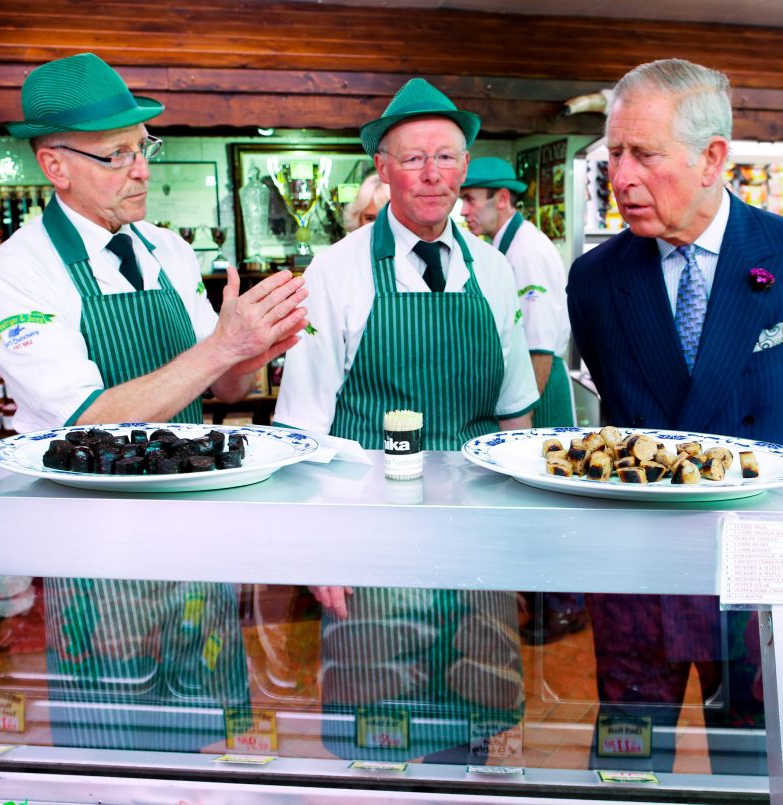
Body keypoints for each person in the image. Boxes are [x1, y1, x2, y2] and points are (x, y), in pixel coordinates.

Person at [0, 52, 307, 752]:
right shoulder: (13, 275)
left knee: (211, 735)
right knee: (116, 744)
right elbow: (85, 419)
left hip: (194, 536)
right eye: (116, 153)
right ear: (54, 165)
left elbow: (222, 392)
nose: (142, 169)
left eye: (143, 146)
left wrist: (254, 349)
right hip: (96, 550)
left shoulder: (168, 251)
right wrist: (220, 346)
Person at [567, 58, 783, 774]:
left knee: (756, 762)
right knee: (627, 761)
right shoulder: (597, 278)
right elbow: (626, 399)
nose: (623, 176)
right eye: (613, 153)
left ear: (712, 158)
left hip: (762, 565)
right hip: (640, 573)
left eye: (645, 154)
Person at [275, 77, 538, 764]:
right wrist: (316, 546)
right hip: (373, 546)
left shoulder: (494, 270)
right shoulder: (334, 272)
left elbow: (515, 414)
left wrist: (519, 534)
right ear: (383, 170)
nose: (432, 174)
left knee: (476, 729)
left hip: (477, 540)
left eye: (447, 157)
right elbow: (302, 425)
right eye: (413, 158)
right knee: (379, 734)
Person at [460, 156, 585, 646]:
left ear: (502, 200)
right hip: (529, 384)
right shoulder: (502, 243)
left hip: (541, 384)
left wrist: (522, 422)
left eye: (471, 199)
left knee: (549, 501)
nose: (464, 208)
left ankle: (565, 609)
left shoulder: (527, 251)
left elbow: (537, 342)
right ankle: (547, 600)